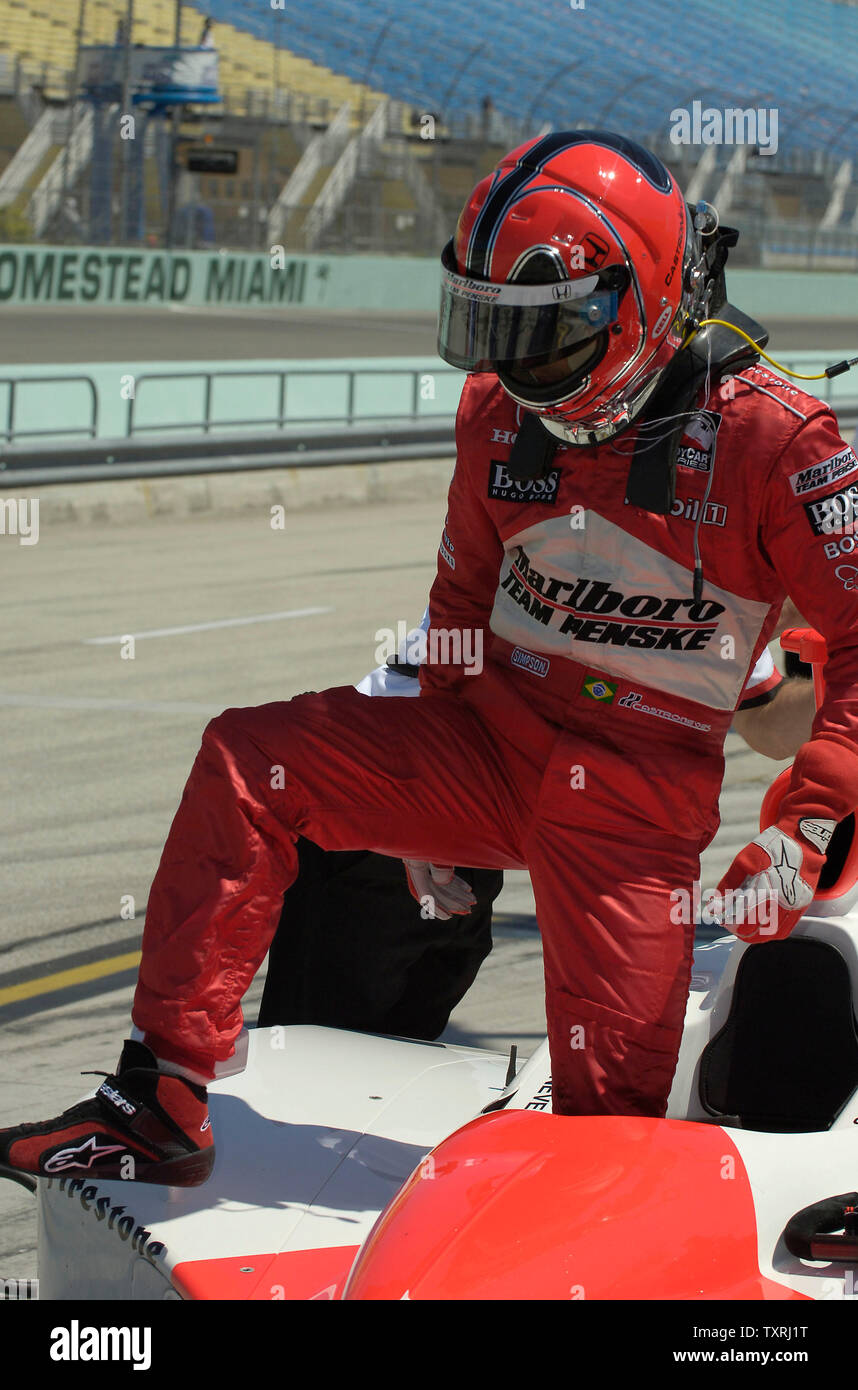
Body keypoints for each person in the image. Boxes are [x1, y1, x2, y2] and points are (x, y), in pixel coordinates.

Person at [3, 130, 857, 1189]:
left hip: (632, 822)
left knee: (610, 1146)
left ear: (633, 305)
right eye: (486, 328)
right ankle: (159, 1098)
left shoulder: (782, 440)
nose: (506, 365)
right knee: (247, 759)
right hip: (487, 754)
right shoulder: (496, 415)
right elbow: (457, 607)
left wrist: (813, 833)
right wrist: (423, 791)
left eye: (536, 335)